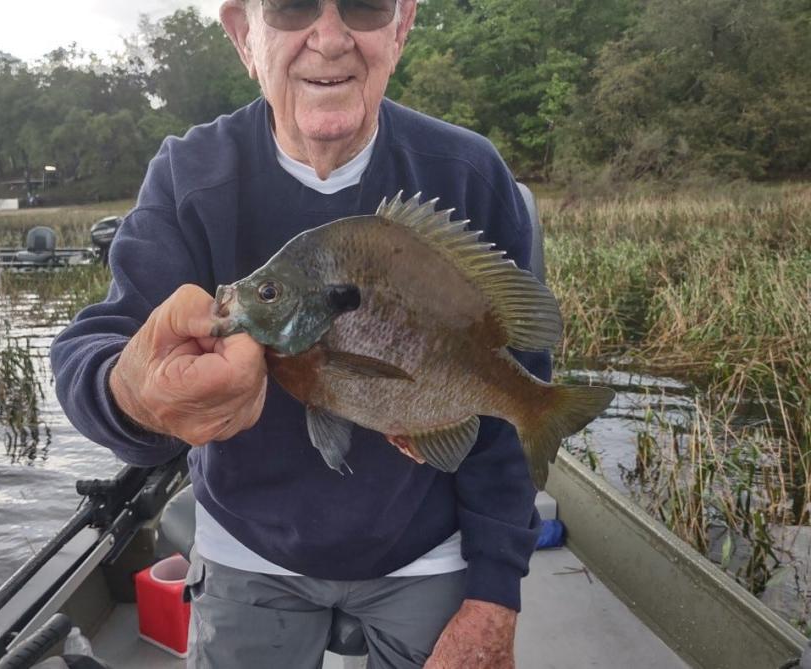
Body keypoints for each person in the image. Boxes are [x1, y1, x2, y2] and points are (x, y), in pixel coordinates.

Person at [50, 0, 550, 665]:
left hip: (427, 546)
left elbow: (511, 390)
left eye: (365, 6)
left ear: (400, 28)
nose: (331, 36)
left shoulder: (469, 174)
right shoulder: (188, 177)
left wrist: (494, 598)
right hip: (246, 546)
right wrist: (133, 393)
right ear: (243, 35)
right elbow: (95, 347)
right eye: (291, 6)